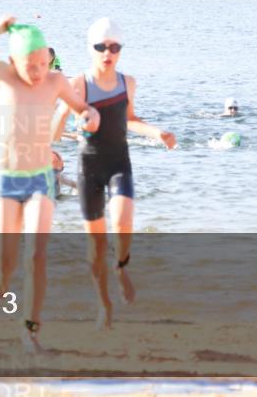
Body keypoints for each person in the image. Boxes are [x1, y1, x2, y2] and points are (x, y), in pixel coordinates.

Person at [0, 16, 100, 352]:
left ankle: (30, 329)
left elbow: (82, 109)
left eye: (44, 63)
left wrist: (91, 116)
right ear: (14, 62)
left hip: (40, 179)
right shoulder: (2, 75)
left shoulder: (56, 80)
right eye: (31, 66)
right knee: (6, 263)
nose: (38, 72)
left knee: (36, 256)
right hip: (7, 180)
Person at [52, 17, 176, 330]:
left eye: (114, 47)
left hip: (119, 163)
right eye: (101, 47)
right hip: (88, 168)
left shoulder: (127, 83)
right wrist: (75, 117)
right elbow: (55, 129)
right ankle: (104, 306)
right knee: (95, 247)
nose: (108, 53)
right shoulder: (78, 83)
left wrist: (156, 132)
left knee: (122, 220)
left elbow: (130, 119)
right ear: (91, 49)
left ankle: (121, 267)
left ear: (120, 50)